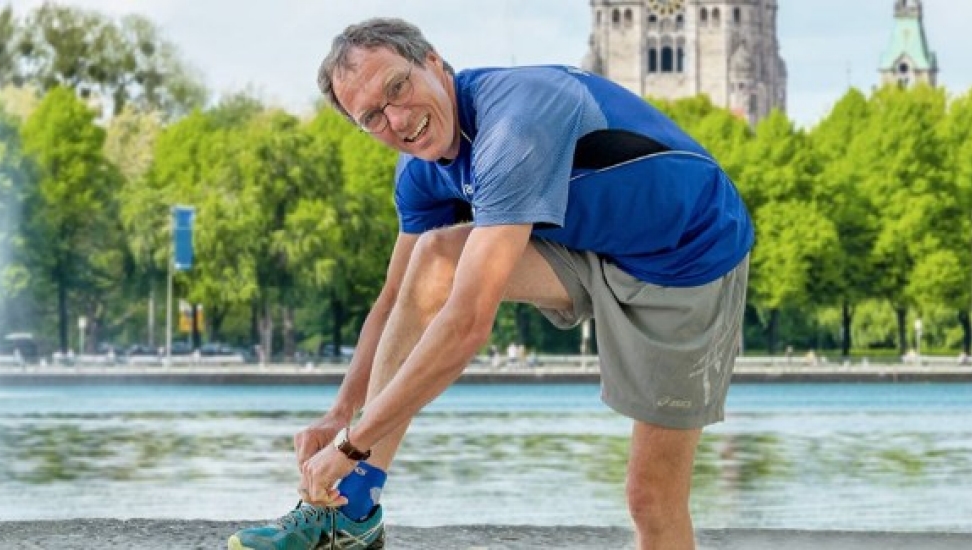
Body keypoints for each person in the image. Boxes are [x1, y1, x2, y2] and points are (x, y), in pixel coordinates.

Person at [228, 18, 752, 550]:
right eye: (373, 117)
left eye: (397, 87)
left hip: (687, 257)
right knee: (433, 259)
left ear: (433, 61)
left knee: (651, 499)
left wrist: (349, 443)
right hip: (594, 240)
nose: (398, 119)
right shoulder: (422, 169)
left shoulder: (514, 127)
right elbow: (395, 302)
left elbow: (467, 323)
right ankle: (354, 509)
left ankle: (355, 477)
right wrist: (340, 412)